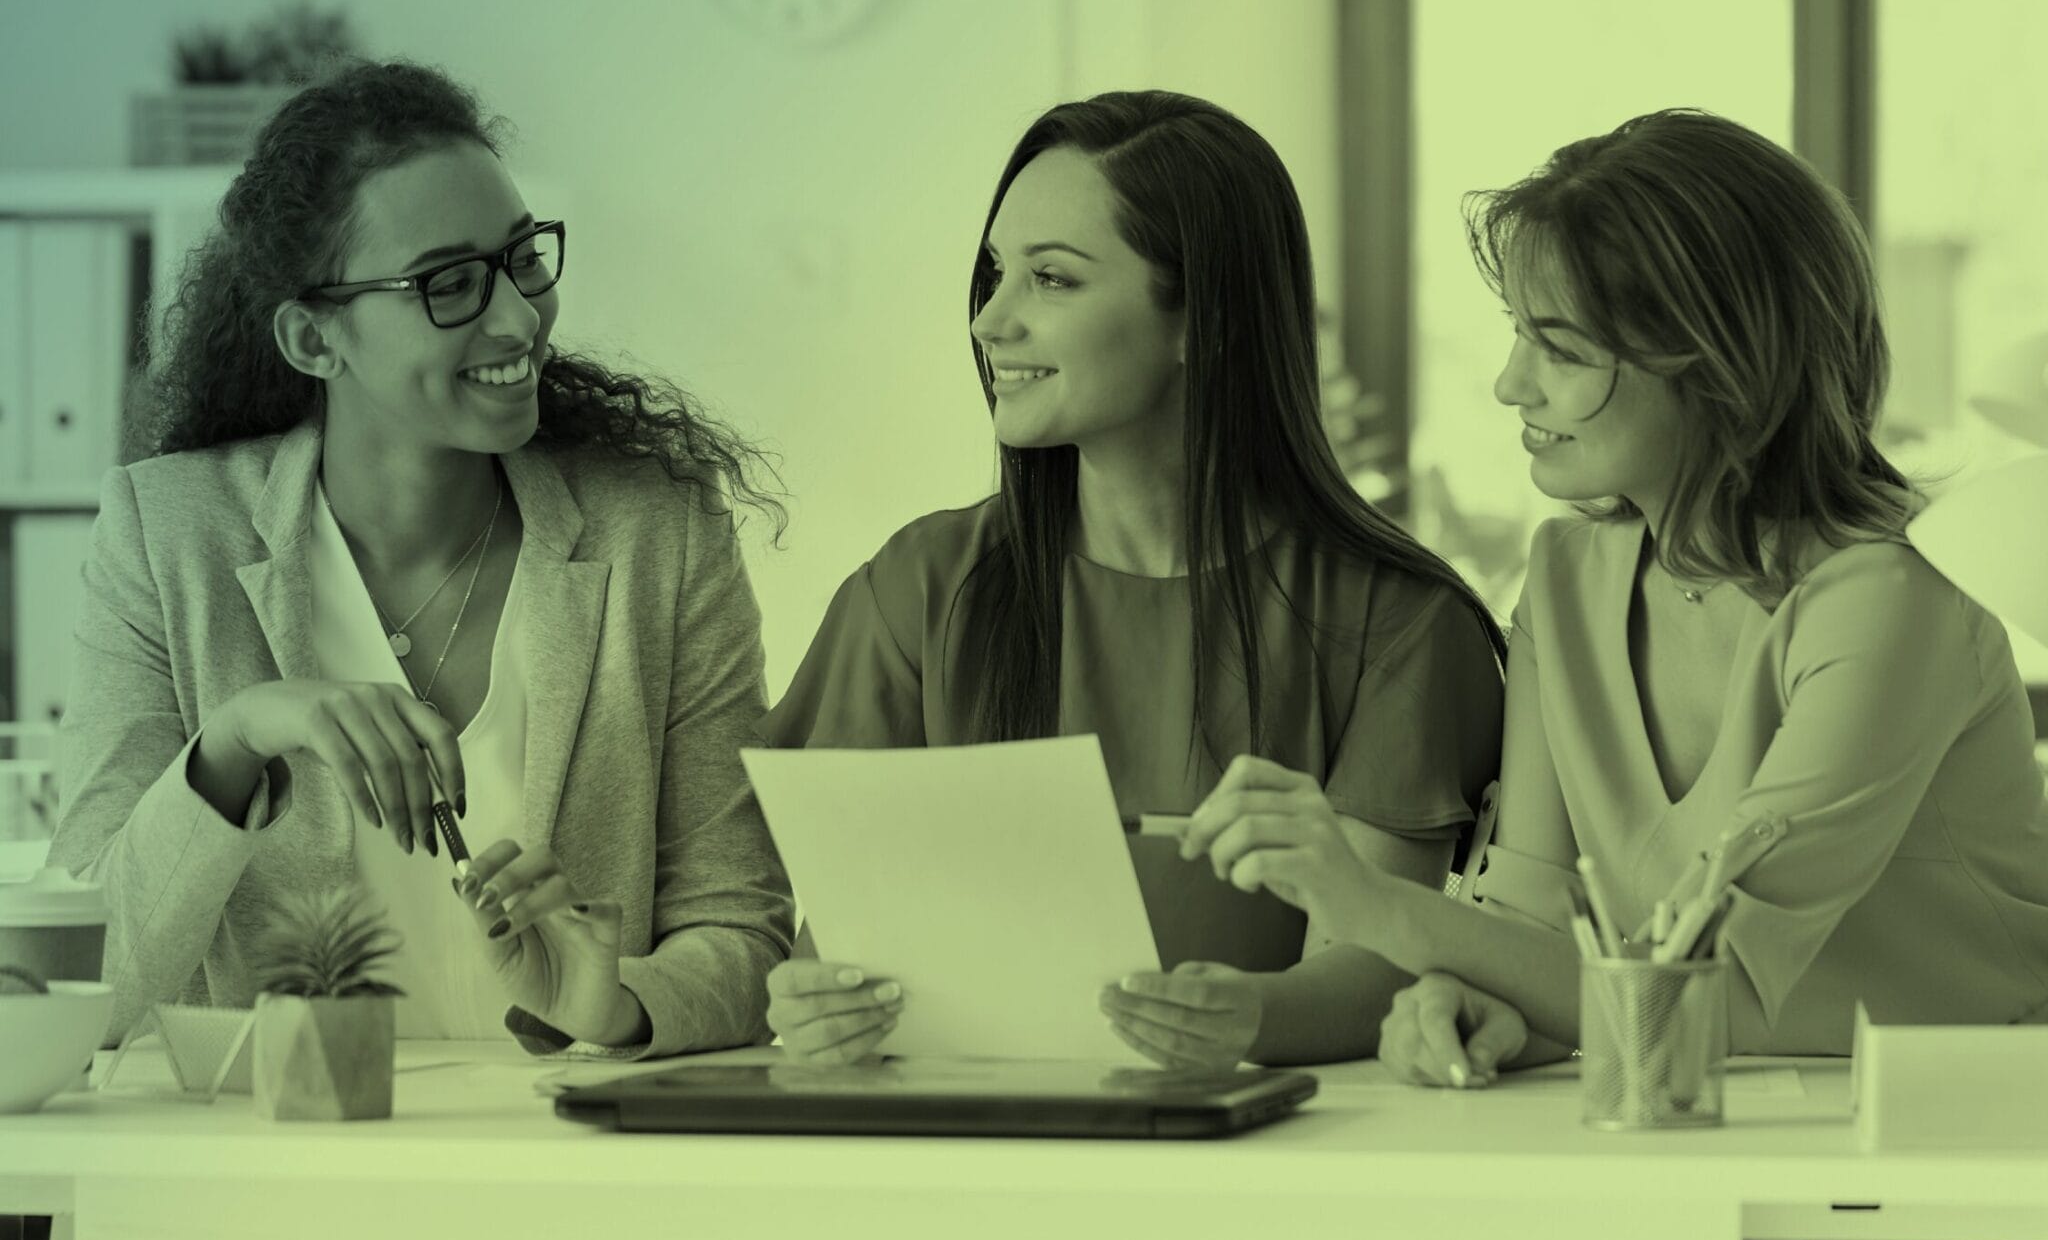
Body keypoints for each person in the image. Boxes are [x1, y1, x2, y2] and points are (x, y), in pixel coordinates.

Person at [1184, 108, 2048, 1084]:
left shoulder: (1890, 600)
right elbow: (1538, 931)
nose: (1511, 384)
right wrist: (1480, 1002)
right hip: (1697, 1116)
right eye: (1520, 335)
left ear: (1720, 363)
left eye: (1559, 348)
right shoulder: (1566, 580)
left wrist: (1374, 906)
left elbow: (1707, 989)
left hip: (1964, 1127)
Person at [49, 60, 794, 1058]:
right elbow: (88, 982)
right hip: (272, 1146)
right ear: (313, 339)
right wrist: (238, 739)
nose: (518, 317)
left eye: (521, 258)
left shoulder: (656, 532)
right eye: (448, 284)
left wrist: (611, 1001)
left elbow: (743, 929)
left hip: (567, 1144)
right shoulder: (166, 535)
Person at [762, 90, 1505, 1067]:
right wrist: (812, 1003)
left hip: (1289, 1145)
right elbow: (833, 940)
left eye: (1051, 279)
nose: (989, 320)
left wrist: (1250, 1018)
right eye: (993, 274)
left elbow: (1382, 961)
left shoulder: (1401, 623)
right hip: (954, 1135)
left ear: (1202, 319)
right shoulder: (914, 591)